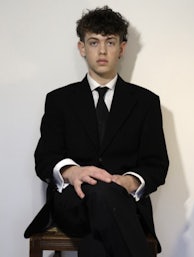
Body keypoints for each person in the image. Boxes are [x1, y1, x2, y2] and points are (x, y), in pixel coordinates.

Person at [25, 6, 169, 257]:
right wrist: (73, 172)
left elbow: (156, 164)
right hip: (74, 202)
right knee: (102, 196)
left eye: (110, 42)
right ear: (82, 48)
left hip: (124, 201)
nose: (102, 51)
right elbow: (44, 159)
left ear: (122, 49)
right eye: (94, 42)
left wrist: (128, 182)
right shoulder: (59, 100)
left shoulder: (146, 102)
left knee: (98, 239)